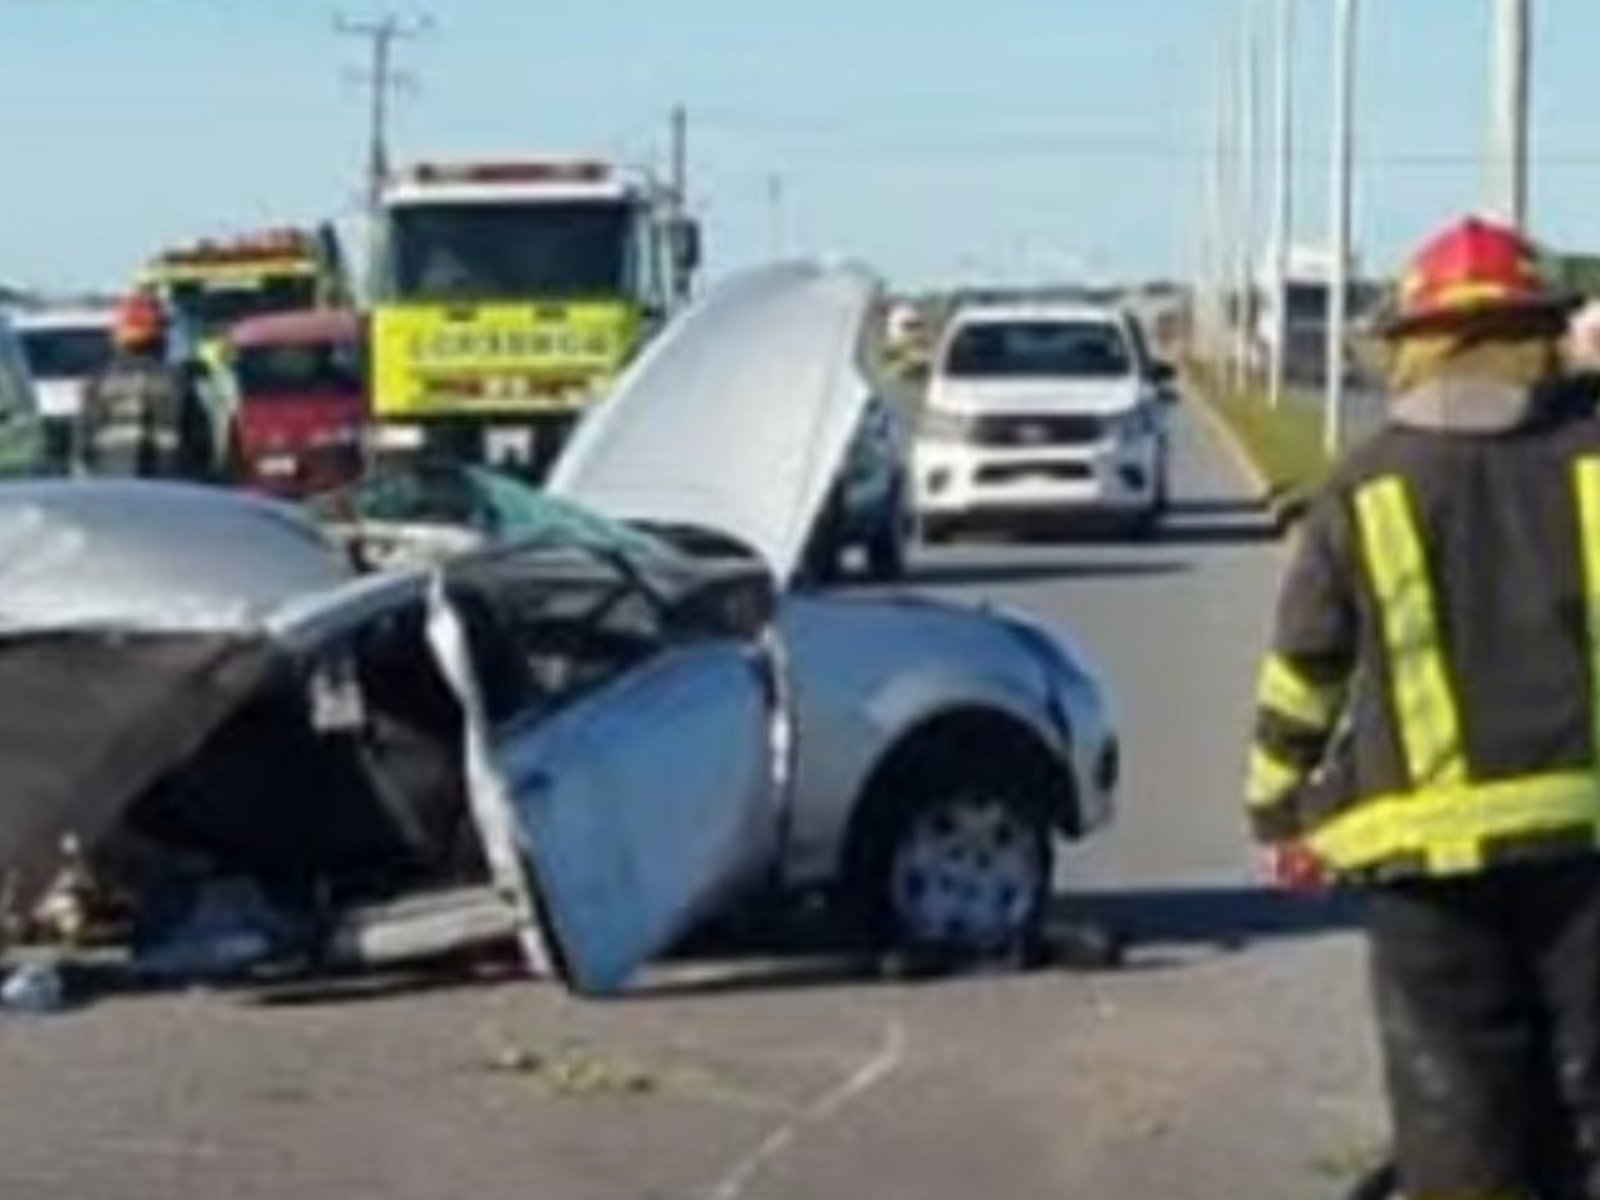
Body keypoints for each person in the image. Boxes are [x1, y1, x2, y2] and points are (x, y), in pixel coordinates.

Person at [1247, 215, 1600, 1199]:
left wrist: (1277, 811)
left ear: (1409, 346)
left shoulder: (1366, 485)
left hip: (1423, 874)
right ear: (1540, 334)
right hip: (1584, 847)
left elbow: (1304, 671)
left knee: (1456, 1119)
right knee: (1587, 1107)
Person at [76, 292, 213, 480]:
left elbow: (82, 450)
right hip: (169, 494)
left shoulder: (97, 382)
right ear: (161, 336)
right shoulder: (178, 381)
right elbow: (202, 447)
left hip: (112, 493)